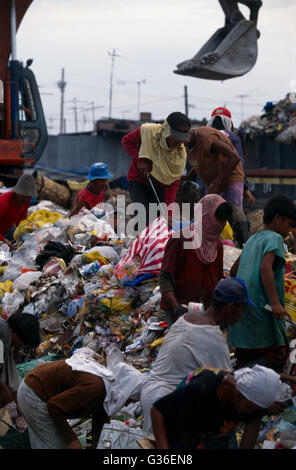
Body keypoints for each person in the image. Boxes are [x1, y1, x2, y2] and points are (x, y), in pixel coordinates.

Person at [140, 276, 255, 434]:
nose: (242, 316)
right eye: (242, 310)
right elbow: (228, 385)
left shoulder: (186, 318)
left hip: (150, 394)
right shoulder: (214, 339)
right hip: (168, 405)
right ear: (230, 306)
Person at [228, 194, 296, 372]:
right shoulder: (274, 238)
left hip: (244, 316)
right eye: (289, 224)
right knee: (279, 352)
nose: (289, 231)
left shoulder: (252, 240)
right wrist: (275, 303)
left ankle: (241, 379)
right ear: (277, 218)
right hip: (262, 313)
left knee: (244, 356)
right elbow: (265, 267)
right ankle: (241, 377)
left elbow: (234, 271)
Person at [151, 364, 284, 449]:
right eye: (248, 407)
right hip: (185, 425)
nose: (250, 412)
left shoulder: (255, 403)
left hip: (218, 431)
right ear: (238, 392)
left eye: (255, 410)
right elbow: (157, 410)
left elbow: (252, 426)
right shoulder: (201, 388)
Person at [159, 194, 232, 324]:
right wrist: (177, 307)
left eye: (224, 220)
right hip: (180, 310)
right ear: (205, 216)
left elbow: (217, 279)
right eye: (219, 219)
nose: (222, 225)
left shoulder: (217, 245)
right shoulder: (180, 239)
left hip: (205, 312)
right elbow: (165, 279)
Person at [121, 112, 191, 227]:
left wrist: (169, 213)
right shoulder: (148, 131)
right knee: (143, 215)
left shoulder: (180, 156)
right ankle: (139, 242)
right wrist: (139, 158)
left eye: (183, 139)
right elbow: (126, 141)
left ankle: (152, 243)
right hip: (139, 179)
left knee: (158, 219)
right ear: (168, 130)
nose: (180, 142)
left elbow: (172, 185)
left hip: (159, 186)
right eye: (177, 137)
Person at [186, 123, 247, 248]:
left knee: (234, 209)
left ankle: (244, 244)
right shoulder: (186, 144)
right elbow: (199, 161)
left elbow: (235, 158)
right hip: (214, 179)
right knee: (213, 211)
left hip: (231, 175)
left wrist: (217, 182)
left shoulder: (207, 139)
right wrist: (187, 177)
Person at [208, 106, 255, 207]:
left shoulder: (204, 138)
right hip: (232, 184)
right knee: (234, 215)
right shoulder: (233, 138)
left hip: (210, 185)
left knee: (211, 214)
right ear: (229, 122)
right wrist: (246, 188)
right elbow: (240, 163)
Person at [0, 313, 40, 410]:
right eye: (23, 342)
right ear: (16, 334)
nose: (20, 345)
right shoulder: (4, 337)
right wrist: (5, 391)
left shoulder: (4, 328)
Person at [0, 174, 37, 247]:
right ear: (17, 193)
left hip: (7, 227)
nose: (26, 200)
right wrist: (3, 240)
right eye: (23, 196)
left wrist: (25, 233)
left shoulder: (26, 201)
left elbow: (21, 220)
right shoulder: (3, 203)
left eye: (28, 197)